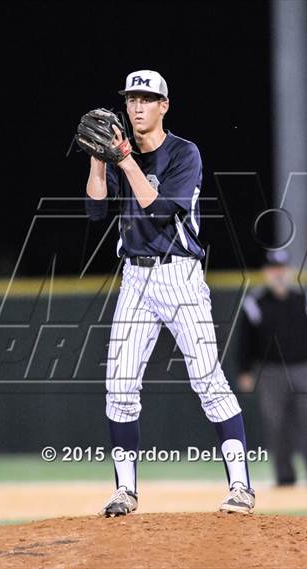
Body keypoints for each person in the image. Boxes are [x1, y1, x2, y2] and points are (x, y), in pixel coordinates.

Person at [85, 69, 255, 516]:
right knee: (119, 386)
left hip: (178, 276)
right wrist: (98, 159)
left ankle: (241, 486)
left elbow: (159, 211)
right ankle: (125, 491)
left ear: (164, 105)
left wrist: (123, 159)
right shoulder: (122, 153)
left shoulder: (184, 153)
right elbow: (95, 210)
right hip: (135, 278)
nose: (136, 107)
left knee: (208, 380)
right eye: (131, 99)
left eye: (146, 99)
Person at [237, 249, 307, 486]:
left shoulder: (306, 297)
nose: (278, 273)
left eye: (282, 269)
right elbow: (245, 340)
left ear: (289, 271)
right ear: (266, 272)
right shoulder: (255, 301)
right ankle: (284, 476)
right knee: (275, 423)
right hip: (271, 371)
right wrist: (245, 370)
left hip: (305, 367)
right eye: (274, 269)